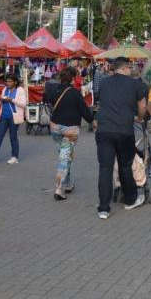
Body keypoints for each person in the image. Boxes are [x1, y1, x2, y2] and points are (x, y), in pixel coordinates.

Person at [93, 57, 148, 219]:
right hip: (124, 130)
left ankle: (103, 208)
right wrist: (139, 117)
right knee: (125, 166)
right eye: (129, 68)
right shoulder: (136, 84)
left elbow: (100, 103)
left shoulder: (103, 83)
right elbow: (143, 106)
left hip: (104, 130)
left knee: (105, 168)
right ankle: (130, 200)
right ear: (125, 68)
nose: (131, 70)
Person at [46, 67, 93, 201]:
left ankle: (68, 183)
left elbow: (48, 101)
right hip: (70, 130)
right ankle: (59, 189)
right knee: (64, 158)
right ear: (73, 78)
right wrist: (92, 120)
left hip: (55, 128)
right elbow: (84, 111)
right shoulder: (74, 92)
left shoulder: (53, 89)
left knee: (64, 155)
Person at [0, 74, 26, 165]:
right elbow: (0, 102)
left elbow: (23, 104)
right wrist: (0, 100)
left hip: (14, 117)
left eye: (10, 81)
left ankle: (14, 157)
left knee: (13, 137)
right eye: (7, 81)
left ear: (15, 82)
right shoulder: (5, 89)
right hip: (3, 116)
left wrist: (11, 100)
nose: (8, 83)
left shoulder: (20, 90)